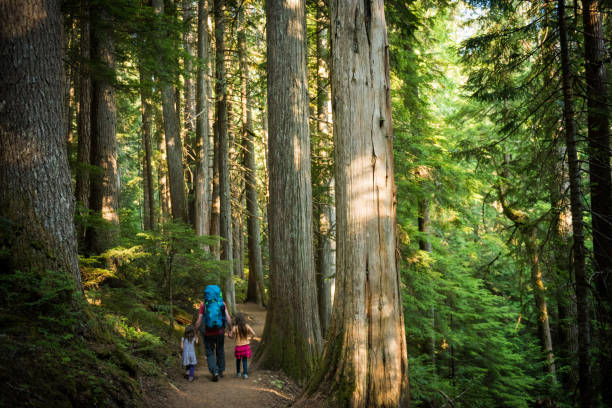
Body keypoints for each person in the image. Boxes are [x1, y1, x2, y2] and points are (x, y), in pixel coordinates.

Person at [194, 285, 232, 382]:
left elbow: (199, 321)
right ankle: (220, 371)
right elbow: (228, 319)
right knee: (220, 350)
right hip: (220, 332)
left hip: (207, 333)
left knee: (210, 352)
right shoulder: (222, 303)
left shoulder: (204, 305)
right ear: (218, 293)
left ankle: (214, 371)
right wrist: (230, 330)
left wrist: (195, 332)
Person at [228, 313, 256, 379]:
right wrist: (250, 338)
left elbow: (231, 336)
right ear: (243, 320)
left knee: (238, 360)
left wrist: (229, 335)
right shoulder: (247, 326)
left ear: (236, 320)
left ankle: (238, 373)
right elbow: (254, 334)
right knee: (245, 360)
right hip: (246, 346)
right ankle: (245, 374)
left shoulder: (235, 327)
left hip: (239, 347)